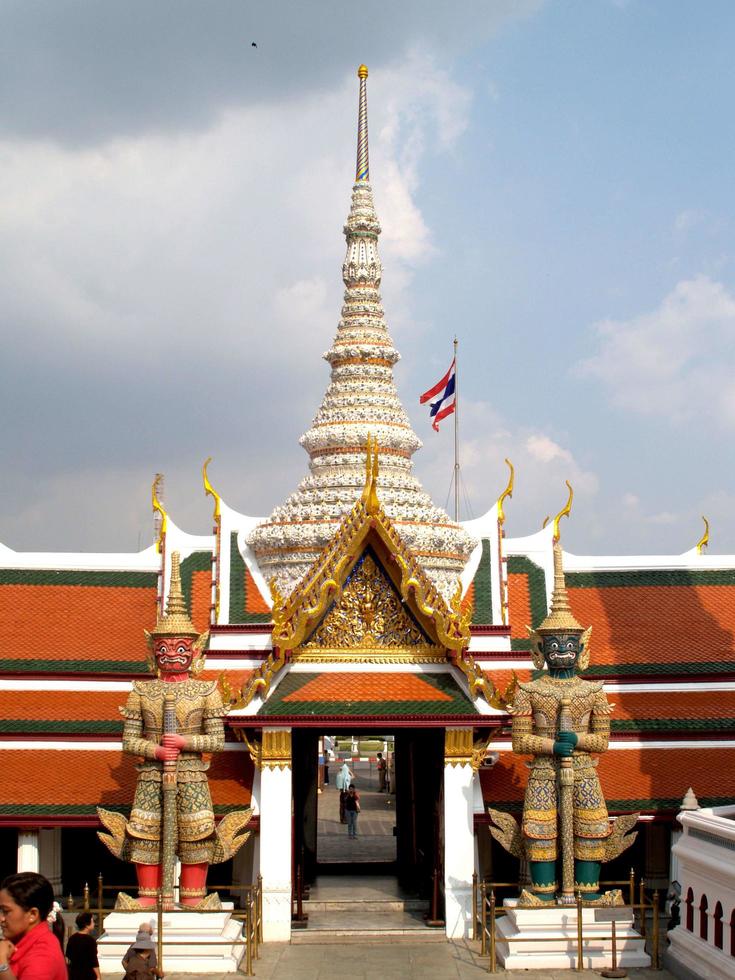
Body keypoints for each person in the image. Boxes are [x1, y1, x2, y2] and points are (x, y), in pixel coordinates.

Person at [97, 551, 251, 909]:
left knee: (196, 834)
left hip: (192, 774)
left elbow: (215, 739)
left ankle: (193, 896)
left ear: (195, 650)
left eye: (180, 647)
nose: (172, 654)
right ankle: (151, 897)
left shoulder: (206, 690)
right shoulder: (142, 690)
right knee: (146, 835)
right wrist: (155, 751)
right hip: (152, 775)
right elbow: (128, 740)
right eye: (164, 647)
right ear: (153, 649)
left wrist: (183, 742)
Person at [0, 872, 68, 979]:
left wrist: (2, 965)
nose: (1, 919)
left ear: (32, 914)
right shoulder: (15, 943)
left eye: (6, 911)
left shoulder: (42, 955)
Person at [65, 911, 100, 980]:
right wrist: (98, 976)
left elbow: (68, 955)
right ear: (87, 925)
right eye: (92, 922)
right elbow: (93, 960)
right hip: (87, 974)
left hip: (74, 973)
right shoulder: (90, 940)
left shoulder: (72, 938)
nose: (94, 924)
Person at [335, 760, 354, 824]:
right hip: (347, 793)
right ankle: (345, 820)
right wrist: (349, 771)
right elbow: (353, 776)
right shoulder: (348, 777)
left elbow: (337, 776)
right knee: (346, 806)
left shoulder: (339, 776)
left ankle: (341, 819)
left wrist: (340, 770)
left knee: (341, 806)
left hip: (341, 793)